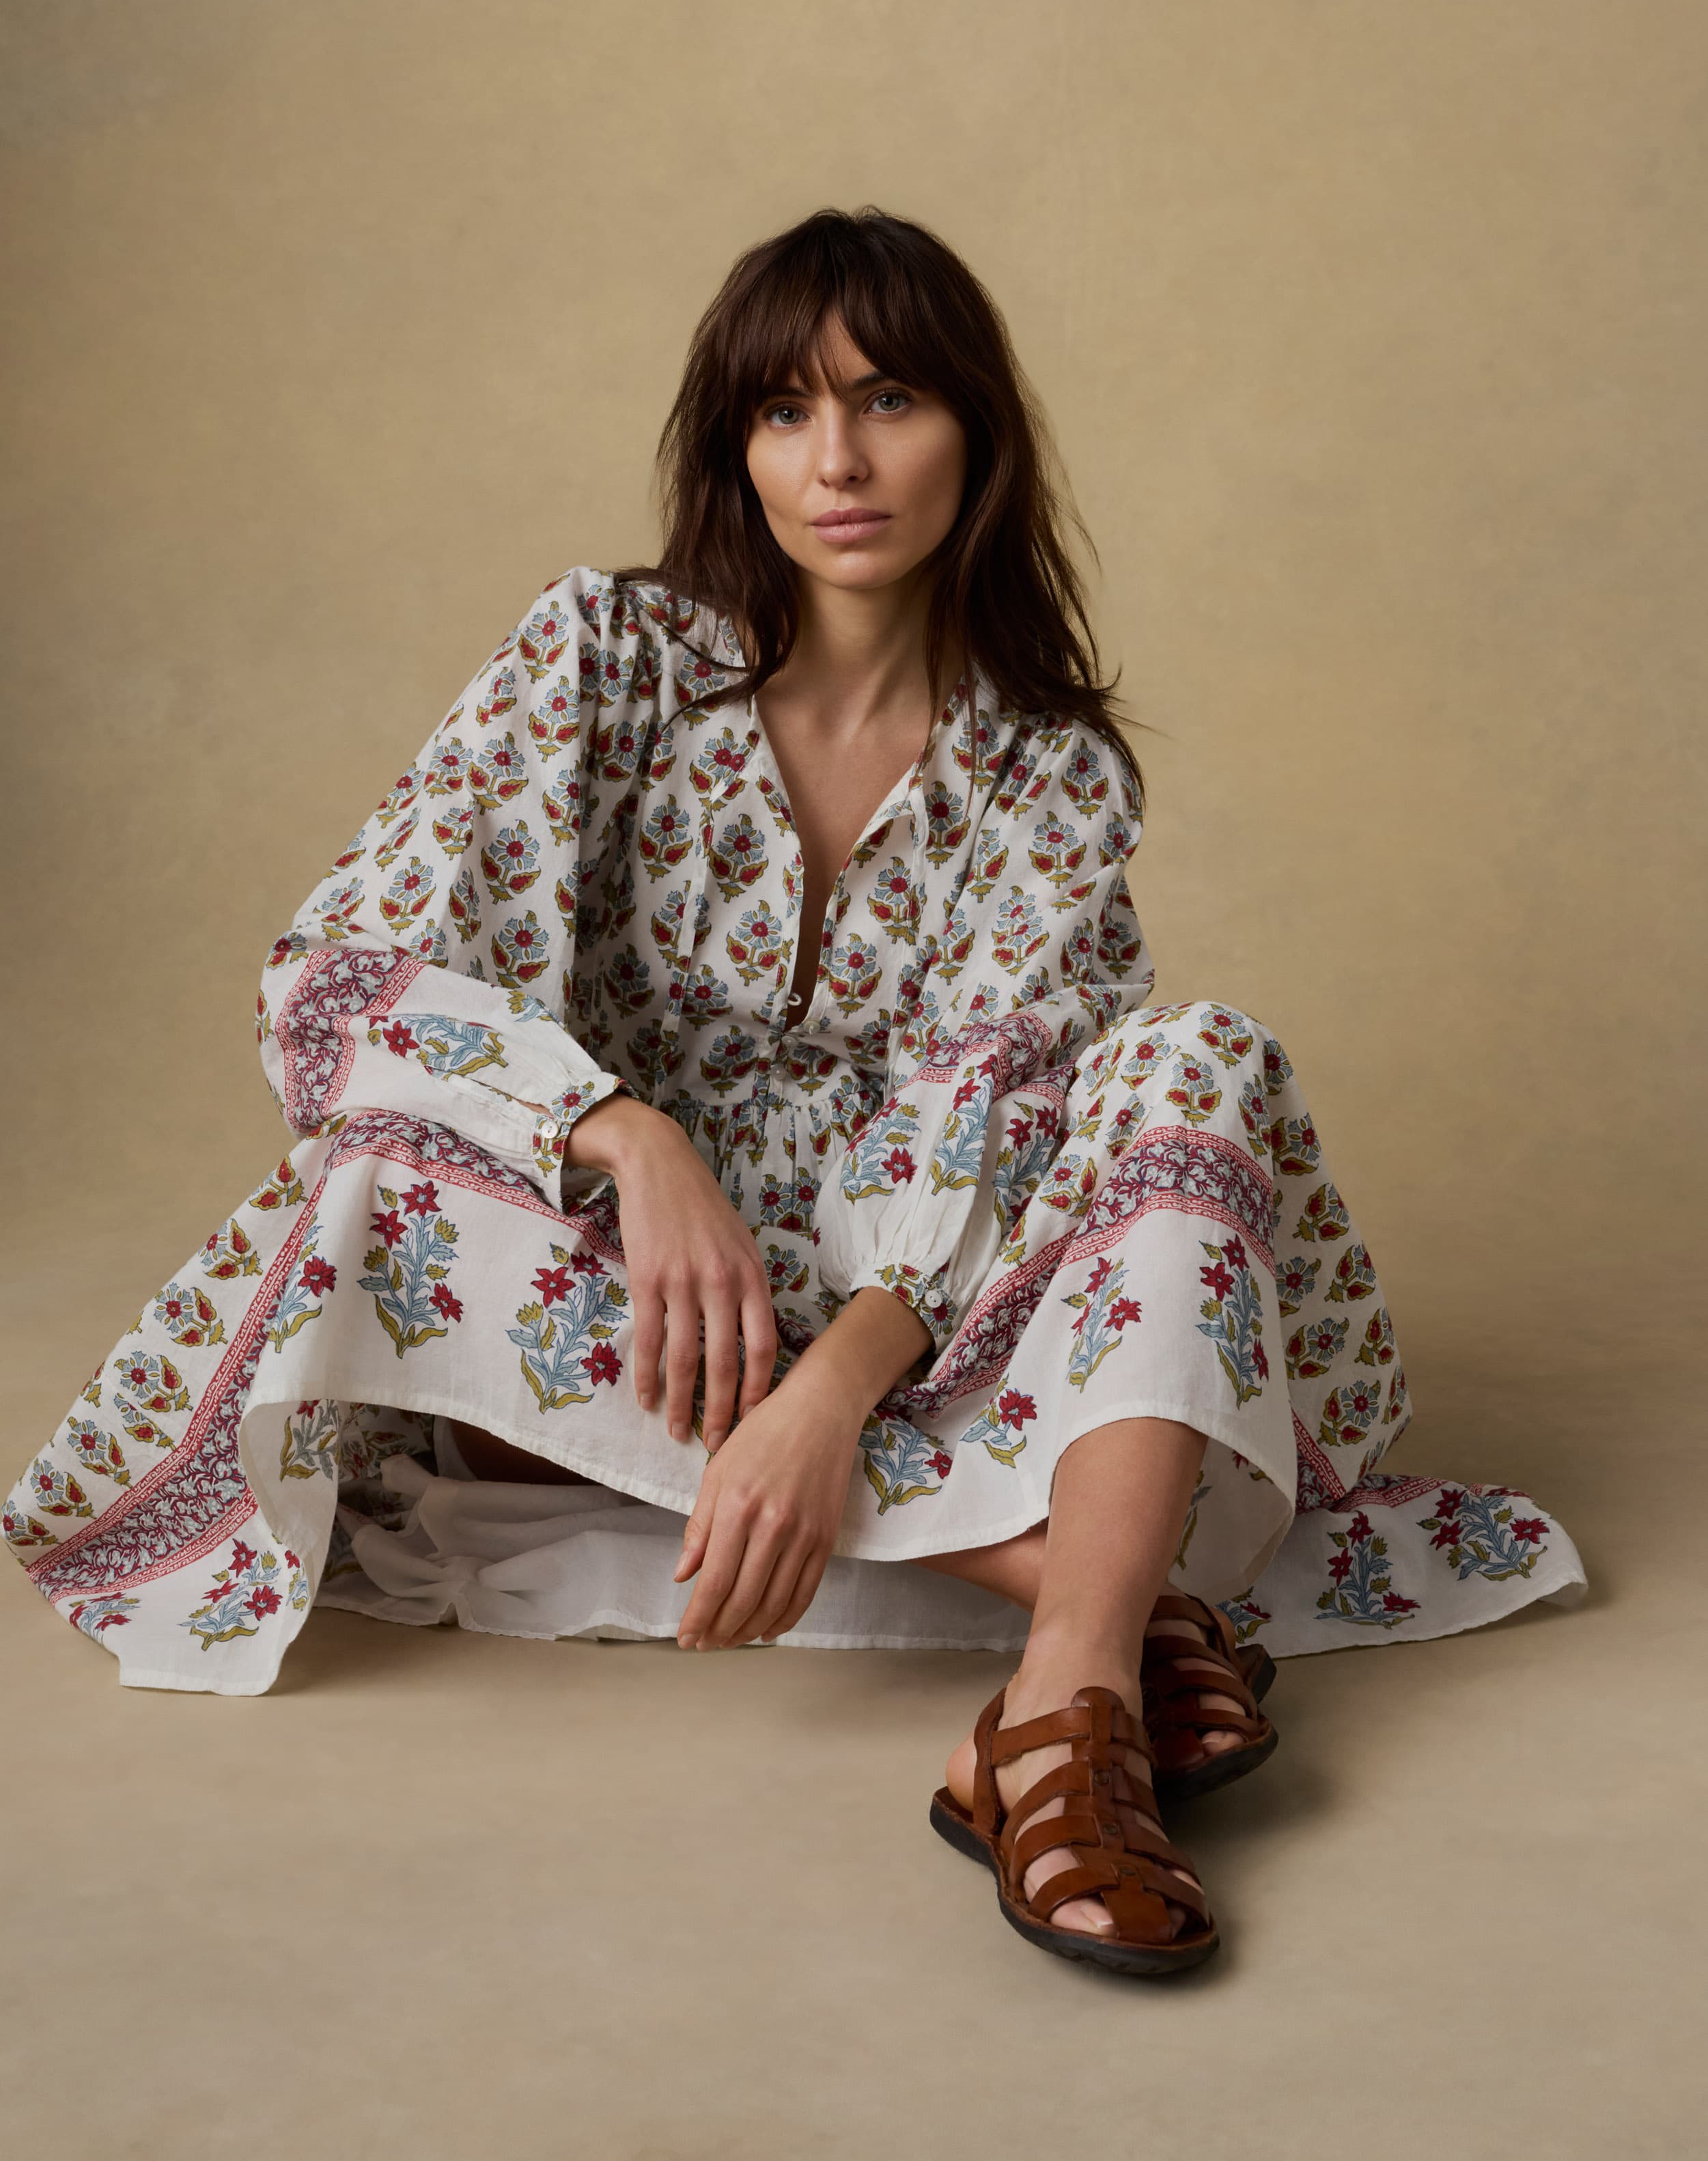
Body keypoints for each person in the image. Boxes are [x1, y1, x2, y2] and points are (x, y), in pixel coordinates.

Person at [5, 207, 1584, 1976]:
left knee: (1194, 1057)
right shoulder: (601, 657)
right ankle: (1124, 1612)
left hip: (938, 1292)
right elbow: (341, 972)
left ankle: (1054, 1714)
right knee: (379, 1177)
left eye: (888, 396)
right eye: (780, 408)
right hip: (622, 1275)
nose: (834, 458)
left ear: (976, 429)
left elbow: (1003, 1114)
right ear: (730, 444)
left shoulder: (1050, 767)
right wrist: (632, 1136)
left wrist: (836, 1384)